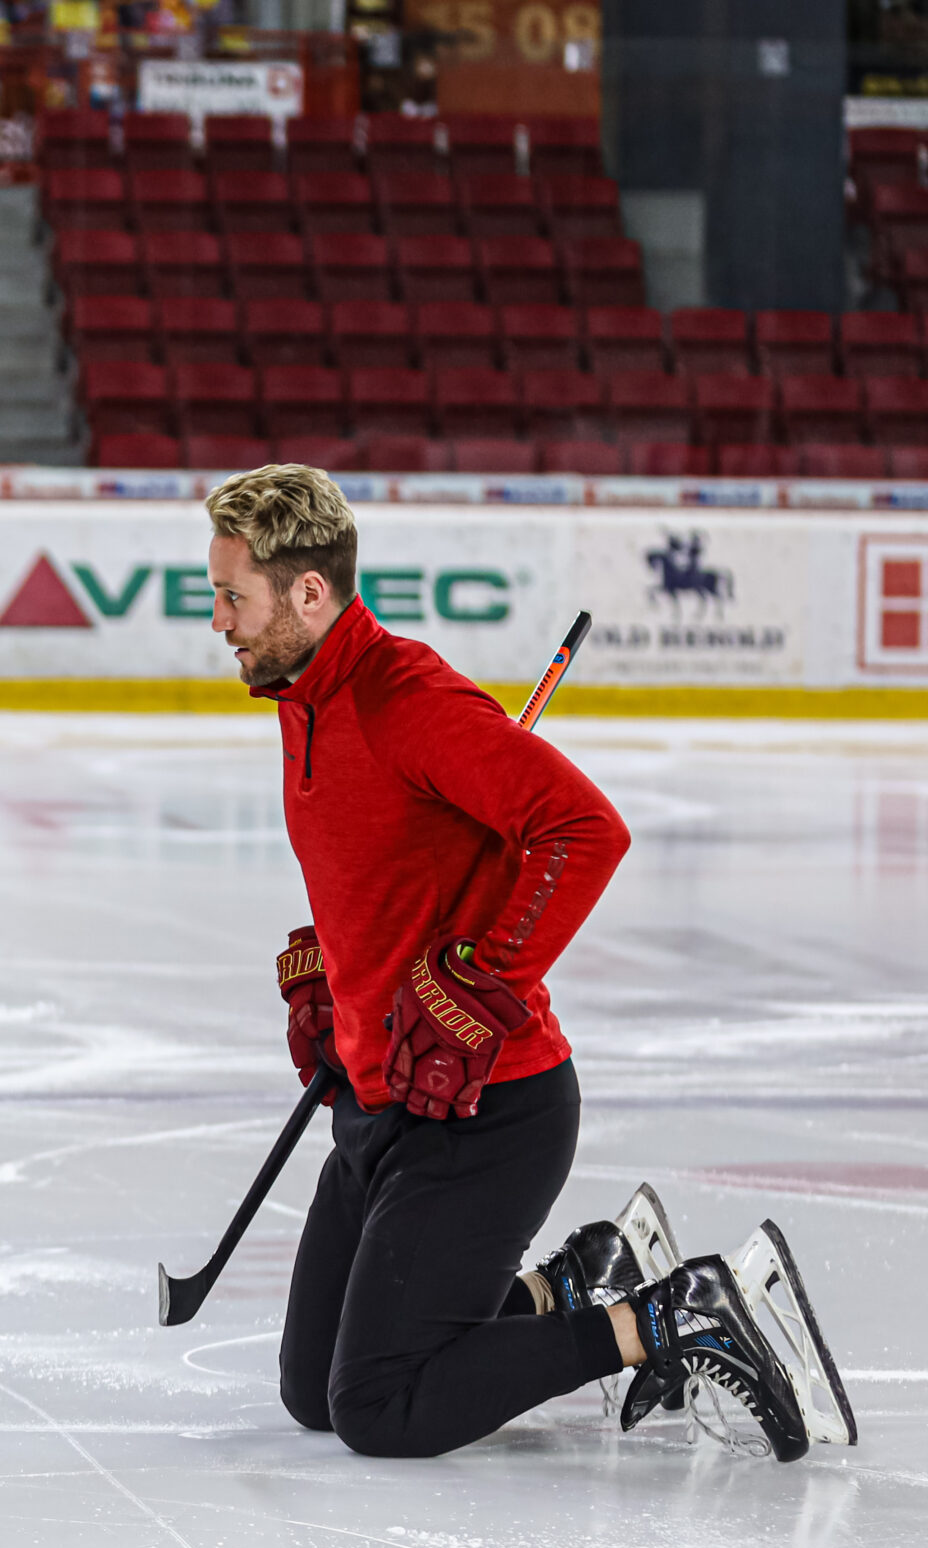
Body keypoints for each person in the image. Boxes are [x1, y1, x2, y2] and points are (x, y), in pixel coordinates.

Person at [208, 463, 854, 1463]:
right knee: (314, 1392)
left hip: (484, 1115)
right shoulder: (303, 700)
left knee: (377, 1408)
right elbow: (385, 870)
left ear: (308, 592)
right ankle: (571, 1282)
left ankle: (674, 1314)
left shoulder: (402, 699)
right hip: (379, 1106)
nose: (219, 623)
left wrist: (483, 979)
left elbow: (584, 830)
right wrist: (339, 987)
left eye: (231, 598)